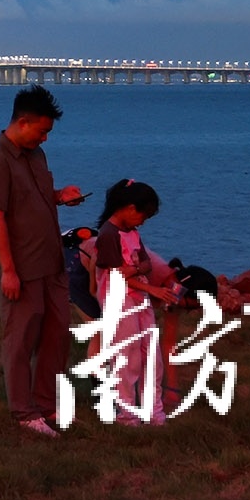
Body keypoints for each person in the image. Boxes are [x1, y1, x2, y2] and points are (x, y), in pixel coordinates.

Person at [0, 85, 87, 437]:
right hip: (22, 268)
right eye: (42, 131)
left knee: (57, 337)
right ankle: (23, 412)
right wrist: (8, 271)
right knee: (21, 338)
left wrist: (61, 197)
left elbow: (37, 198)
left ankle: (45, 404)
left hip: (52, 262)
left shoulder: (36, 156)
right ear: (22, 122)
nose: (45, 138)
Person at [92, 179, 170, 425]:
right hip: (120, 302)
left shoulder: (131, 233)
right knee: (128, 355)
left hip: (137, 298)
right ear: (127, 207)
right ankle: (127, 411)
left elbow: (142, 264)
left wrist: (135, 271)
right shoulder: (107, 235)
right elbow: (117, 275)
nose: (142, 220)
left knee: (151, 354)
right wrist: (148, 285)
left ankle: (153, 409)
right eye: (141, 214)